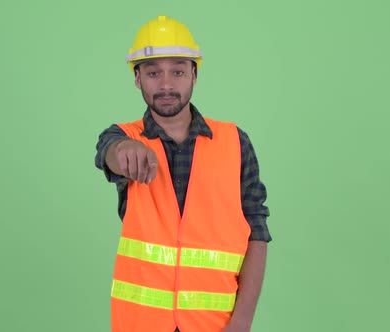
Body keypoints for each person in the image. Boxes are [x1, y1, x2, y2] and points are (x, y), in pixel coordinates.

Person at [94, 15, 272, 332]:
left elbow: (256, 232)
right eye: (152, 73)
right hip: (141, 324)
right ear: (137, 79)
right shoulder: (124, 136)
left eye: (177, 71)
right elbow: (109, 154)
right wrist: (122, 151)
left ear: (194, 74)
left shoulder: (234, 141)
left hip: (214, 325)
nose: (166, 84)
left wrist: (242, 321)